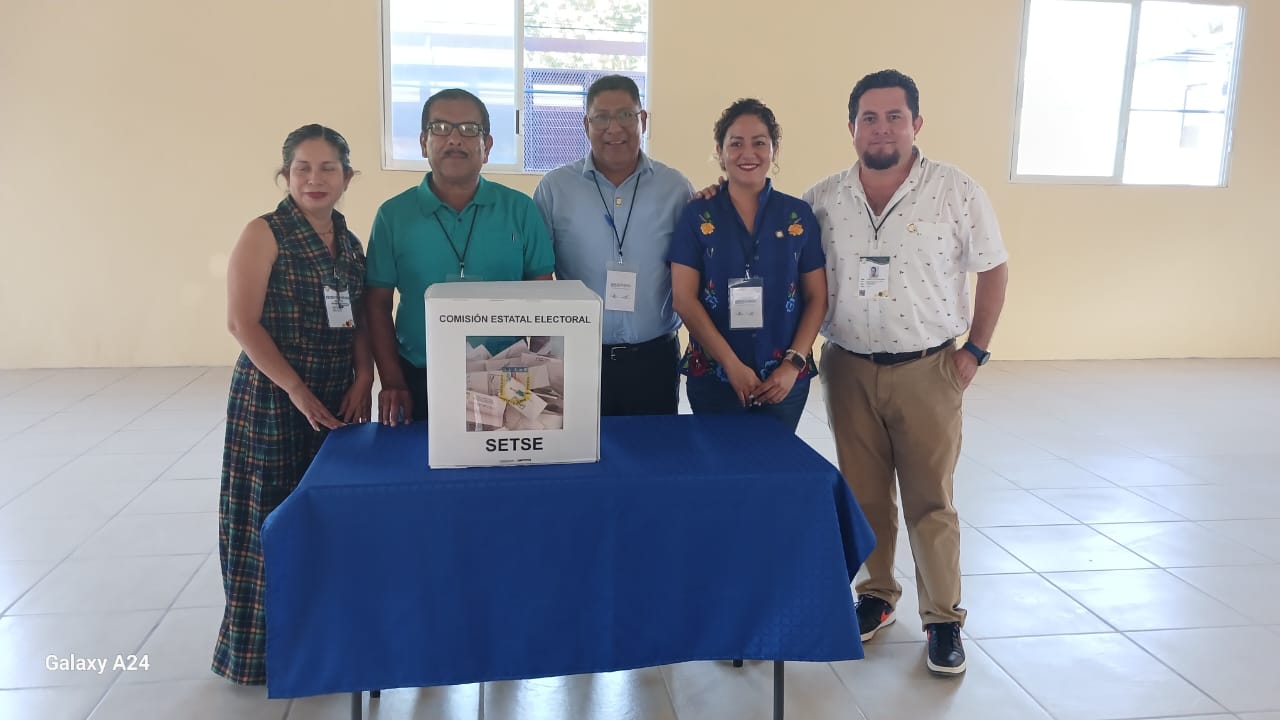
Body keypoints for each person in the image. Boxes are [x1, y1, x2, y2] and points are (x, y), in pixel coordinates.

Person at [804, 69, 1010, 675]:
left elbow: (994, 268)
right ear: (851, 127)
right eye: (869, 117)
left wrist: (975, 351)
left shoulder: (956, 191)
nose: (882, 128)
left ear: (916, 123)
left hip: (928, 367)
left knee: (930, 501)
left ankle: (943, 619)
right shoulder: (823, 199)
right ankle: (876, 595)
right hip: (847, 368)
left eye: (894, 116)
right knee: (864, 494)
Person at [216, 124, 372, 685]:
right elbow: (242, 323)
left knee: (323, 516)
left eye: (328, 168)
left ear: (347, 177)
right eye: (302, 168)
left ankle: (319, 637)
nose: (315, 179)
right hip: (274, 396)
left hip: (334, 397)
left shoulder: (349, 244)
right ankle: (259, 653)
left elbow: (358, 319)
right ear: (285, 176)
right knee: (269, 517)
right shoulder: (265, 233)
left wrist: (365, 377)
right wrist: (295, 389)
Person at [365, 89, 555, 425]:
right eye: (440, 128)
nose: (454, 139)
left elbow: (543, 294)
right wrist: (392, 381)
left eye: (469, 129)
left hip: (506, 377)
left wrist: (540, 376)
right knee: (418, 459)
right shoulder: (393, 215)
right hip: (420, 375)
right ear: (423, 143)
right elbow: (377, 304)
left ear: (487, 146)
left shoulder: (520, 209)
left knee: (504, 459)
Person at [534, 75, 694, 416]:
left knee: (653, 447)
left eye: (625, 115)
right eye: (601, 118)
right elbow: (537, 274)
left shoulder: (675, 188)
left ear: (643, 120)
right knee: (581, 448)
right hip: (578, 357)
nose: (614, 128)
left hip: (654, 358)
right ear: (586, 125)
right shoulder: (555, 189)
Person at [670, 99, 827, 433]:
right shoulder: (698, 215)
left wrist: (792, 364)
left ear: (774, 150)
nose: (748, 154)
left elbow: (817, 297)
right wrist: (731, 364)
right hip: (713, 377)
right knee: (718, 463)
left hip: (782, 380)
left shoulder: (798, 216)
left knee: (774, 463)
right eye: (736, 144)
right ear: (720, 151)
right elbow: (683, 298)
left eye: (759, 143)